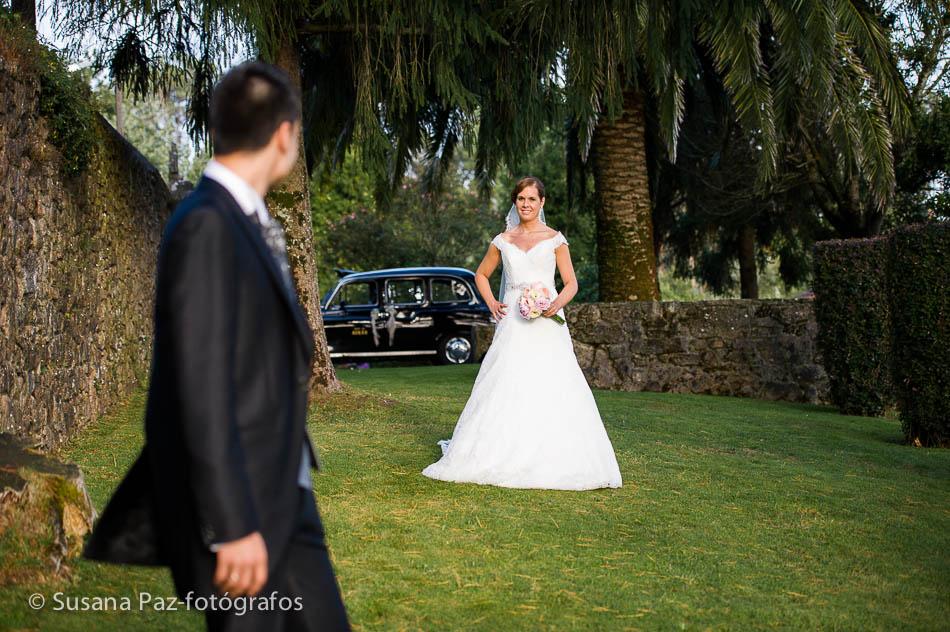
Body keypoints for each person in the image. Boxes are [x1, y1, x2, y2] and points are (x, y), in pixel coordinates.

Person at [83, 62, 350, 631]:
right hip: (238, 509)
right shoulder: (206, 225)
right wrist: (230, 526)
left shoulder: (243, 218)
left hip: (283, 491)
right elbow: (198, 387)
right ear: (284, 134)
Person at [422, 177, 623, 490]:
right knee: (508, 378)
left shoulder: (555, 239)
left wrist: (553, 305)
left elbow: (571, 284)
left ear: (542, 202)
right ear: (514, 203)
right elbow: (481, 275)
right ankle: (500, 448)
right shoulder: (503, 240)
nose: (526, 204)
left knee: (553, 381)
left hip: (547, 322)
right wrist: (491, 303)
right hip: (514, 320)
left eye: (532, 199)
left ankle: (557, 452)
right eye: (520, 199)